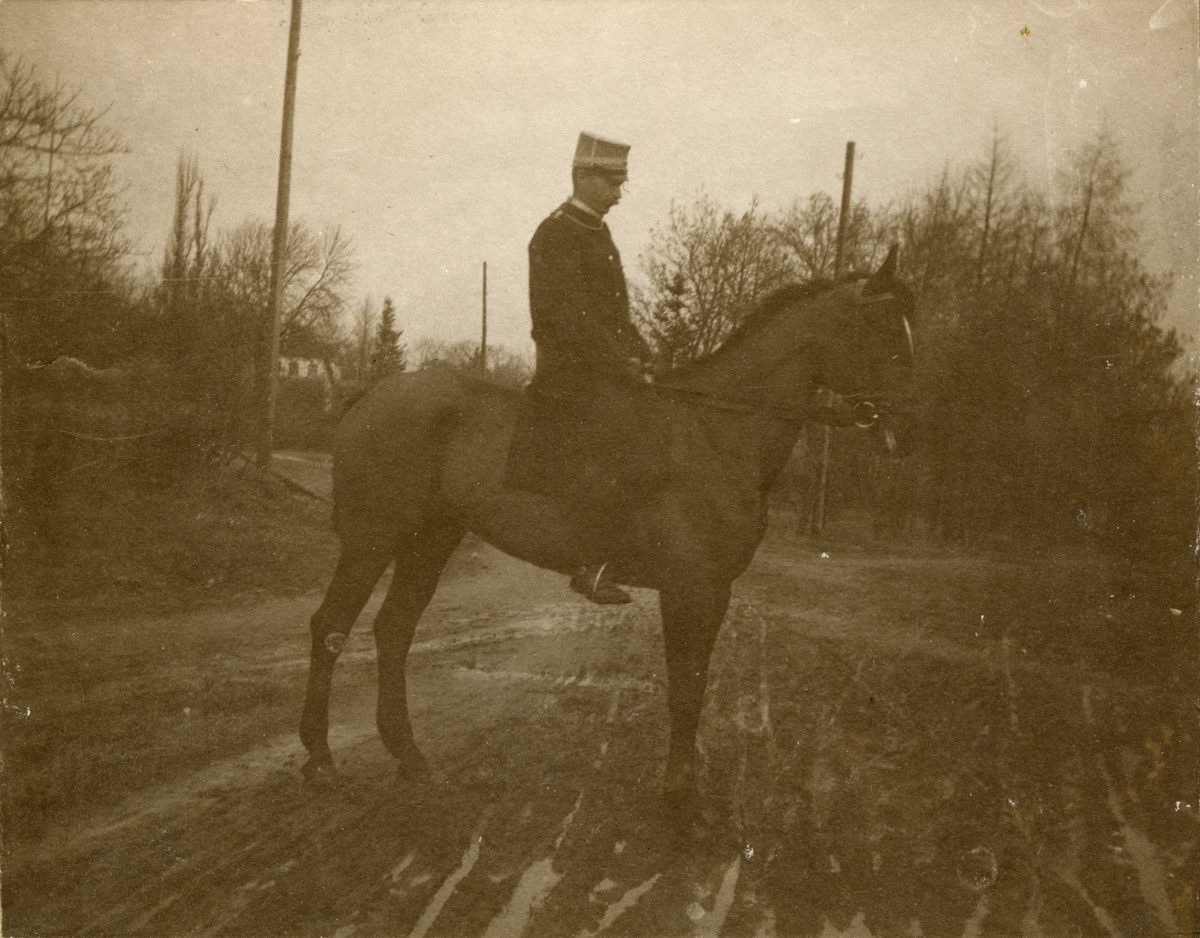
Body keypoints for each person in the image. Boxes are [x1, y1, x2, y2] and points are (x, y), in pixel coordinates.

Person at [523, 132, 656, 604]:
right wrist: (621, 363)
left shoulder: (598, 231)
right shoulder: (555, 232)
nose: (619, 194)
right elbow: (570, 318)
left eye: (622, 184)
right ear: (582, 177)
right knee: (616, 439)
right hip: (567, 371)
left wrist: (646, 355)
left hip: (602, 365)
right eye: (612, 183)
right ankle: (589, 564)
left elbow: (616, 316)